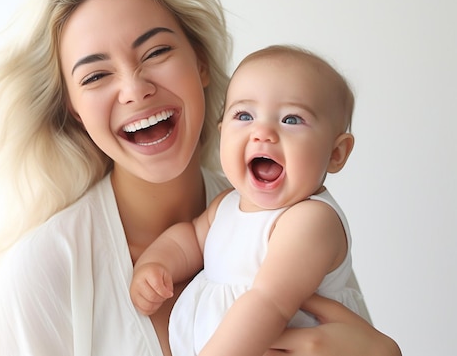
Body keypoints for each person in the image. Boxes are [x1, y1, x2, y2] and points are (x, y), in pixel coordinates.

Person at [0, 0, 401, 356]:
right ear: (75, 111)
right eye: (96, 75)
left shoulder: (286, 214)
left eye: (156, 52)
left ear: (200, 64)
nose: (135, 89)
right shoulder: (49, 268)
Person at [130, 44, 365, 356]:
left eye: (292, 120)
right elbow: (190, 238)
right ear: (223, 132)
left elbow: (268, 302)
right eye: (244, 115)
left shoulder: (310, 221)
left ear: (336, 154)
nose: (262, 132)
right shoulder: (227, 204)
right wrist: (155, 264)